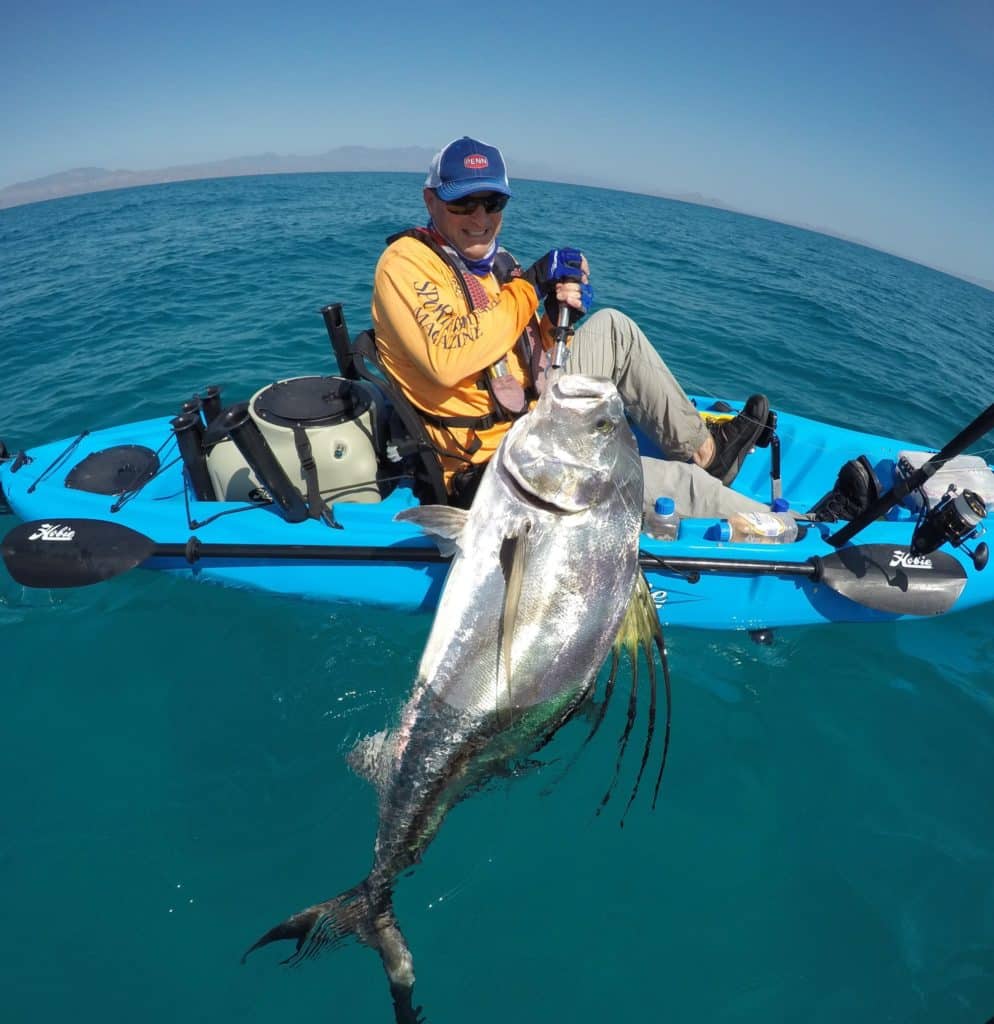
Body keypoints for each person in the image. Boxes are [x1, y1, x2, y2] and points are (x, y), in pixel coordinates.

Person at [371, 136, 872, 518]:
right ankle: (800, 530)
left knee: (613, 328)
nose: (479, 218)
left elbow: (519, 353)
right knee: (678, 486)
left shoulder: (496, 263)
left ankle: (708, 451)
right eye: (463, 204)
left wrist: (549, 320)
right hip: (494, 462)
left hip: (527, 414)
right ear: (431, 200)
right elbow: (449, 358)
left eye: (493, 203)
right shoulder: (405, 263)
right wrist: (530, 287)